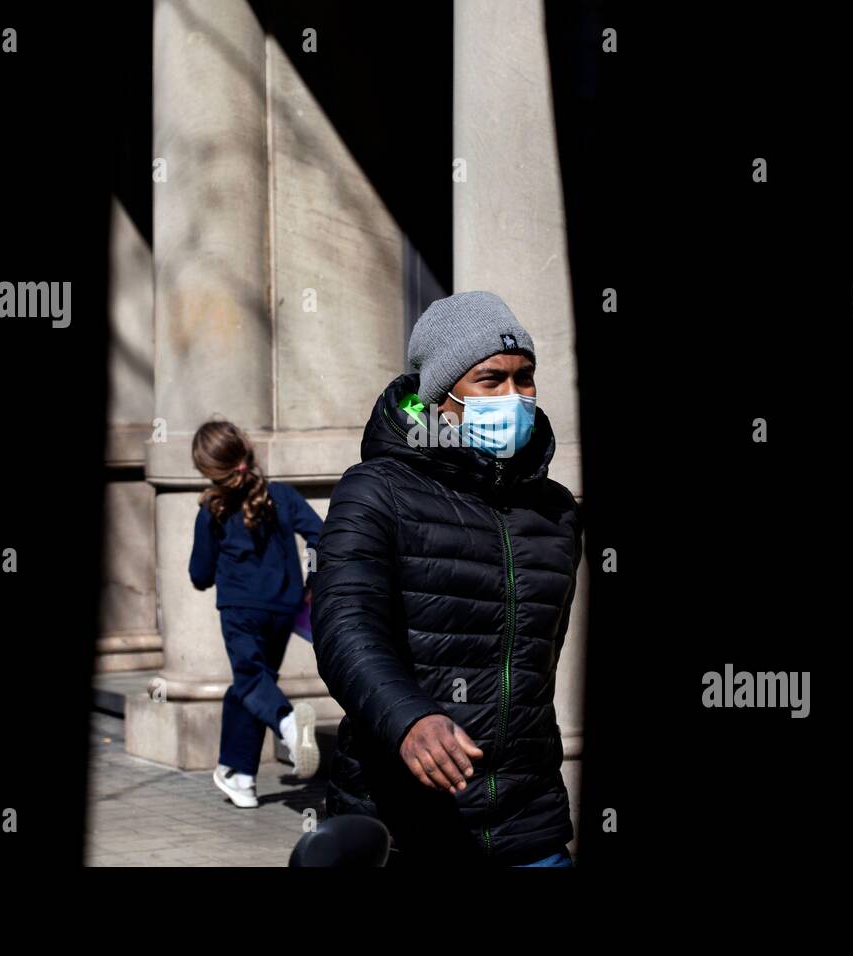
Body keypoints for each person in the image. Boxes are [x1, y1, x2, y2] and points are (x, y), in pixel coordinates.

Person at [310, 290, 582, 866]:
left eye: (524, 377)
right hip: (405, 823)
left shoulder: (555, 510)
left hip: (528, 824)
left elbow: (538, 662)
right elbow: (344, 629)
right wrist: (412, 719)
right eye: (491, 379)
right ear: (442, 395)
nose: (514, 396)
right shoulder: (374, 491)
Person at [188, 421, 324, 808]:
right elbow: (320, 533)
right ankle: (239, 775)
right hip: (284, 608)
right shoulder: (281, 495)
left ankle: (288, 724)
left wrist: (207, 574)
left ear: (208, 470)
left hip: (241, 610)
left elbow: (199, 574)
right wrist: (312, 579)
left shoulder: (213, 509)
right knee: (250, 685)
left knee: (251, 683)